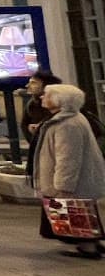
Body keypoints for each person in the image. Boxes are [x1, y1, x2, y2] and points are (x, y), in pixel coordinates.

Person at [29, 83, 105, 256]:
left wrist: (63, 184)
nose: (42, 97)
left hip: (72, 181)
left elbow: (68, 157)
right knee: (80, 211)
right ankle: (92, 243)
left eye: (47, 95)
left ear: (59, 100)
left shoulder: (67, 124)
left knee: (74, 210)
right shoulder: (70, 119)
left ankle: (88, 248)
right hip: (79, 179)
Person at [22, 70, 62, 143]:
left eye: (33, 83)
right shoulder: (31, 104)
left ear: (46, 86)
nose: (27, 86)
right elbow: (24, 125)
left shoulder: (59, 104)